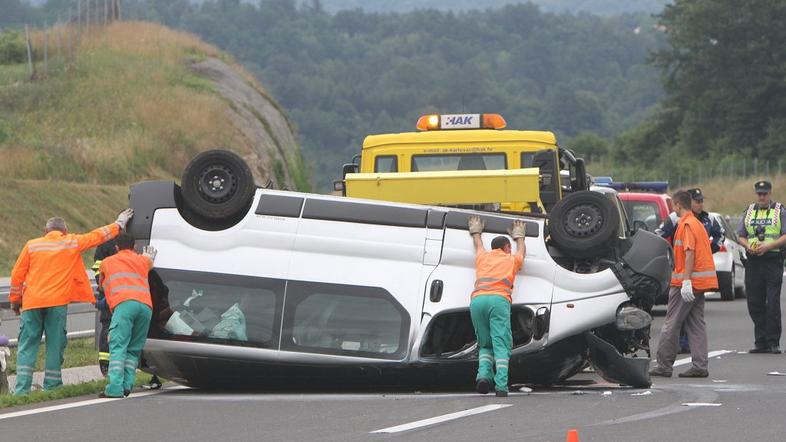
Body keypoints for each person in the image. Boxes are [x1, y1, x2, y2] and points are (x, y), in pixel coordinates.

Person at [9, 209, 133, 395]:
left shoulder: (32, 245)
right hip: (56, 302)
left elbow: (17, 275)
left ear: (45, 231)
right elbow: (97, 236)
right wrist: (119, 224)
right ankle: (52, 386)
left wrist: (15, 302)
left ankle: (21, 390)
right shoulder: (70, 242)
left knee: (27, 346)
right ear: (64, 231)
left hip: (32, 302)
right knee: (55, 344)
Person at [649, 191, 718, 378]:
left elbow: (689, 253)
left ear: (678, 205)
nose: (673, 209)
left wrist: (686, 280)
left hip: (685, 283)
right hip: (699, 282)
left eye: (674, 206)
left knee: (671, 323)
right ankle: (700, 365)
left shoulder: (686, 224)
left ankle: (664, 365)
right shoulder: (696, 223)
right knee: (696, 324)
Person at [467, 215, 526, 397]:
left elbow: (478, 245)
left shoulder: (483, 257)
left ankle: (483, 376)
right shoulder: (510, 259)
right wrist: (520, 237)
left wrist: (476, 231)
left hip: (477, 301)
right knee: (501, 344)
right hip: (498, 300)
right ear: (507, 248)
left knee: (485, 344)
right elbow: (521, 252)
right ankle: (501, 386)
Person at [97, 233, 157, 398]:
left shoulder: (107, 262)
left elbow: (101, 286)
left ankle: (115, 387)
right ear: (135, 246)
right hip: (145, 306)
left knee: (117, 346)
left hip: (124, 305)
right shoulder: (142, 260)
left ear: (116, 247)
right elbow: (149, 262)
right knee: (133, 349)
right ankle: (127, 385)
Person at [736, 181, 786, 354]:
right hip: (754, 262)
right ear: (756, 194)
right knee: (754, 303)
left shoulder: (780, 210)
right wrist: (747, 245)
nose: (762, 197)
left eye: (765, 194)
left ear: (770, 193)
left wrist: (769, 246)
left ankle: (773, 342)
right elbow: (740, 235)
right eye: (759, 194)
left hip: (773, 261)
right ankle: (761, 342)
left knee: (772, 303)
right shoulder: (749, 211)